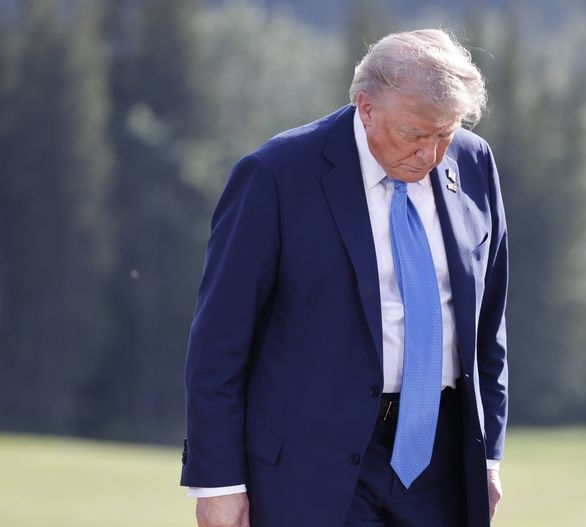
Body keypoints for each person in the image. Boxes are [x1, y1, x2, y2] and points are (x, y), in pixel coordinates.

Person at [180, 28, 509, 527]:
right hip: (310, 467)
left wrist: (487, 458)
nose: (432, 155)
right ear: (366, 106)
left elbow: (488, 327)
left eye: (446, 134)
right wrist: (219, 483)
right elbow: (219, 343)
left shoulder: (474, 161)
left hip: (441, 463)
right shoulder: (275, 175)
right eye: (416, 135)